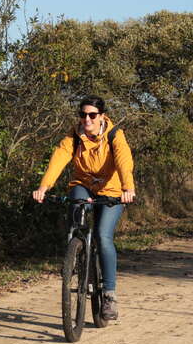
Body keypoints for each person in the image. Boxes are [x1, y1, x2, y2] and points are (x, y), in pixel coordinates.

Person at [32, 96, 135, 320]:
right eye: (83, 114)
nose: (86, 119)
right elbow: (59, 158)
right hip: (84, 185)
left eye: (92, 115)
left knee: (102, 235)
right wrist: (44, 186)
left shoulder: (114, 135)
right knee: (75, 209)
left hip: (112, 189)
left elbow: (124, 161)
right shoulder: (74, 135)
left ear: (101, 116)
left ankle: (109, 295)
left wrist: (128, 188)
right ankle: (75, 258)